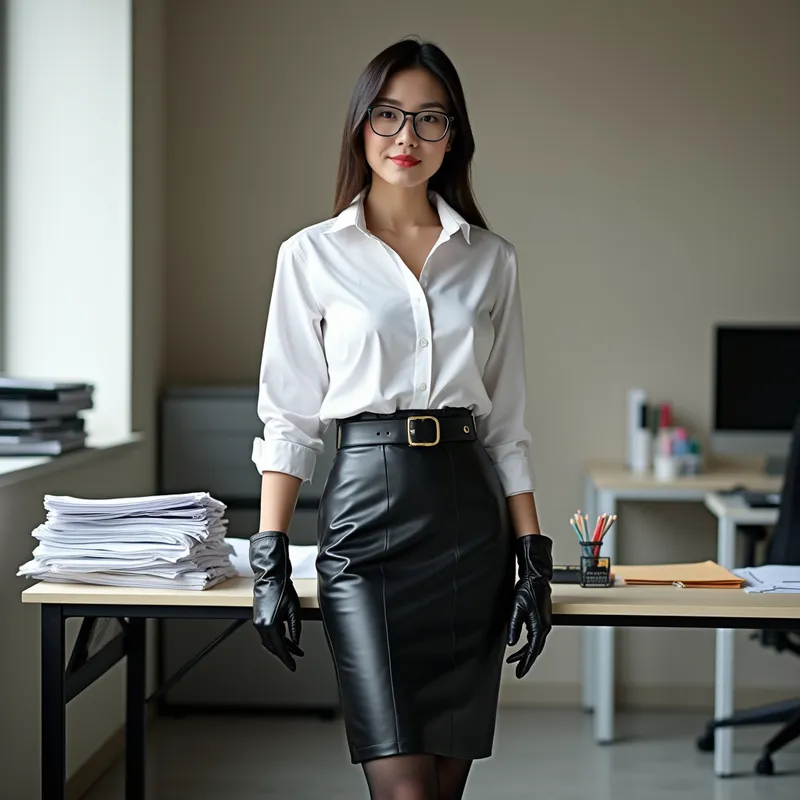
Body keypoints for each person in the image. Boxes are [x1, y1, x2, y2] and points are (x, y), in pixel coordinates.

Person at [248, 37, 554, 800]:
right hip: (365, 522)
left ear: (455, 137)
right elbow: (289, 418)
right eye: (388, 115)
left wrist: (533, 555)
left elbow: (507, 425)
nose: (406, 138)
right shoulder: (310, 256)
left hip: (468, 522)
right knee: (404, 791)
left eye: (429, 119)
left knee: (444, 790)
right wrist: (270, 555)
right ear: (360, 126)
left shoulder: (493, 260)